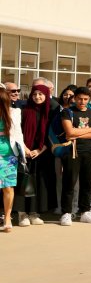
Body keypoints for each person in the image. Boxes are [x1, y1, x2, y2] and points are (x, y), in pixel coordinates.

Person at [59, 87, 91, 226]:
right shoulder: (68, 112)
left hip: (90, 151)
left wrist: (79, 132)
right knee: (69, 182)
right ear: (75, 98)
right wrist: (90, 129)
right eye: (79, 98)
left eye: (85, 99)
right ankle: (66, 212)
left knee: (87, 183)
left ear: (89, 99)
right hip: (73, 151)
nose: (82, 101)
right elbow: (69, 132)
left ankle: (85, 212)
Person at [17, 84, 54, 225]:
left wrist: (40, 150)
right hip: (24, 151)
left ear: (46, 95)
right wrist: (25, 149)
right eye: (34, 94)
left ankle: (33, 213)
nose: (37, 97)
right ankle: (22, 214)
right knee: (23, 181)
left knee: (37, 182)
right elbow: (17, 132)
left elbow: (51, 135)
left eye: (40, 94)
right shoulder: (24, 111)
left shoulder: (50, 112)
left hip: (41, 152)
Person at [0, 86, 27, 232]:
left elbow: (18, 134)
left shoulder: (15, 112)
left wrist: (23, 151)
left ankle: (8, 217)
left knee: (8, 187)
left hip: (9, 154)